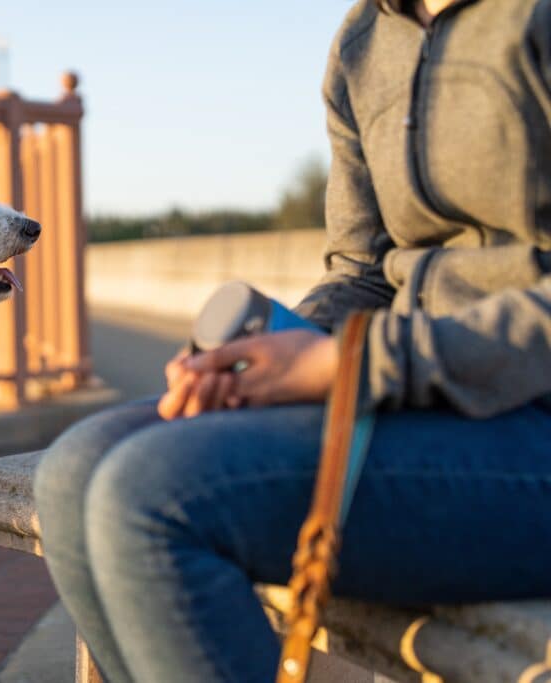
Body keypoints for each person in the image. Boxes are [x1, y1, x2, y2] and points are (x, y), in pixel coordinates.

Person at [34, 0, 551, 681]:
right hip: (428, 399)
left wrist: (357, 364)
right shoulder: (366, 36)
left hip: (528, 417)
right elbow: (365, 272)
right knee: (73, 469)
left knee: (153, 495)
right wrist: (266, 356)